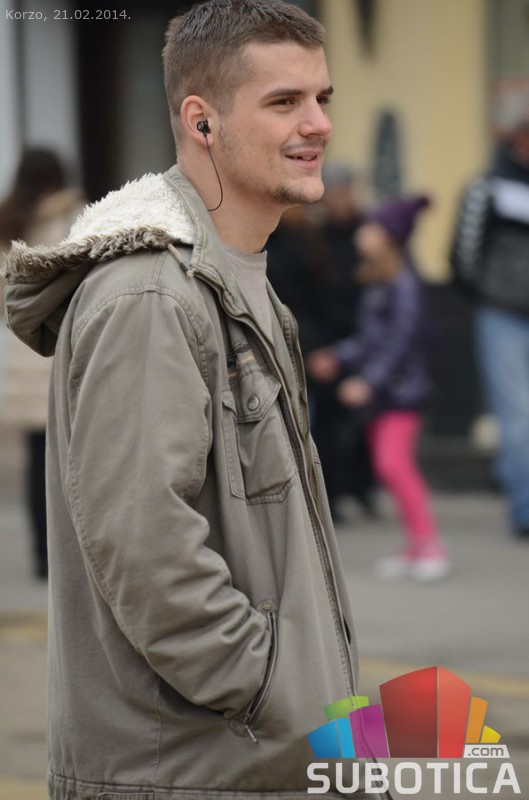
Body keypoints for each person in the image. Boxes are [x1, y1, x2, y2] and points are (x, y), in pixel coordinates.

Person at [2, 3, 378, 798]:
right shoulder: (150, 295)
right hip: (197, 768)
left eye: (322, 98)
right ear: (202, 122)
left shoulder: (240, 279)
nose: (317, 124)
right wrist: (266, 687)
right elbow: (144, 545)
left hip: (260, 758)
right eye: (283, 102)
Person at [308, 196, 450, 581]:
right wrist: (339, 356)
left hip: (402, 394)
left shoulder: (403, 285)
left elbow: (400, 343)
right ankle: (416, 546)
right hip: (387, 393)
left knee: (393, 465)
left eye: (370, 229)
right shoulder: (379, 281)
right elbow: (372, 340)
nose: (361, 235)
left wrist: (368, 382)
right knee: (390, 467)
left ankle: (430, 545)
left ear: (389, 237)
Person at [0, 148, 84, 578]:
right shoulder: (70, 217)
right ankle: (65, 553)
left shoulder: (10, 221)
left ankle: (40, 557)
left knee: (38, 462)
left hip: (24, 352)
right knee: (70, 461)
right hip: (60, 353)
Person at [450, 100, 529, 539]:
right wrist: (484, 295)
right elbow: (464, 252)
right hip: (503, 314)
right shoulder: (488, 186)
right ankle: (525, 509)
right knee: (517, 416)